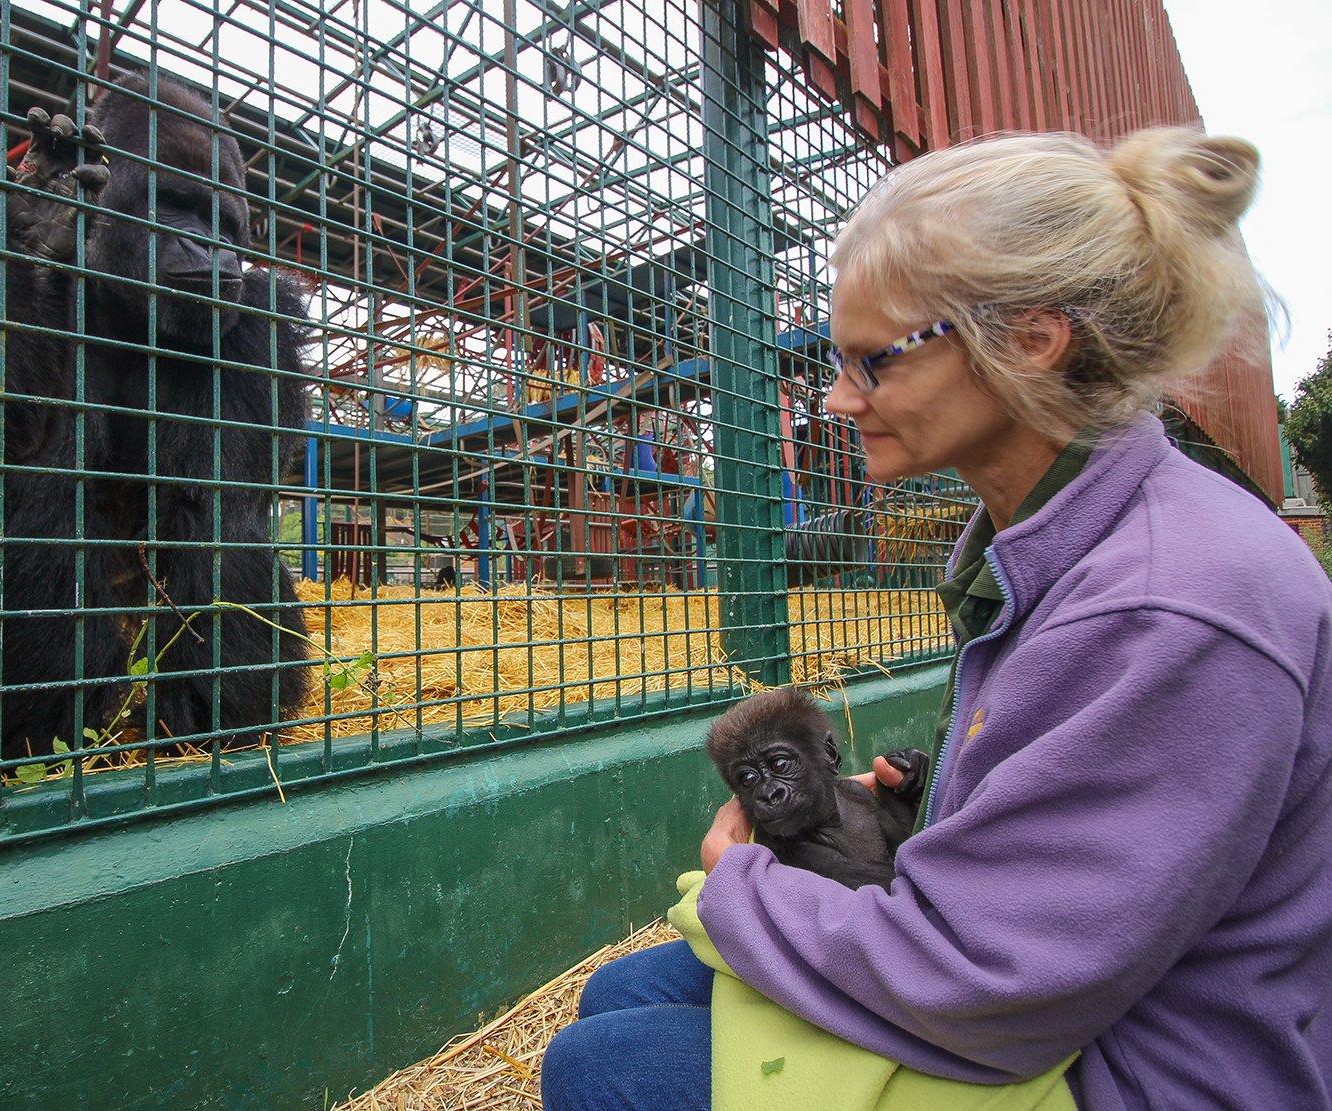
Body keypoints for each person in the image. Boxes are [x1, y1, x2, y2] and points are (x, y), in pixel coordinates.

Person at [540, 127, 1332, 1111]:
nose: (835, 398)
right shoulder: (1059, 536)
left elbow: (989, 984)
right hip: (1055, 999)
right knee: (624, 987)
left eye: (871, 361)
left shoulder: (1164, 599)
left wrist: (737, 884)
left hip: (1126, 1070)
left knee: (595, 1067)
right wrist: (926, 802)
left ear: (1030, 339)